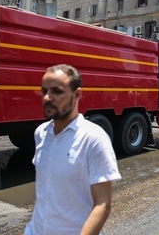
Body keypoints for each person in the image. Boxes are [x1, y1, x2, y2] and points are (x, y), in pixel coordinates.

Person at [24, 64, 121, 235]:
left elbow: (103, 204)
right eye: (44, 91)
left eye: (57, 91)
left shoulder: (93, 138)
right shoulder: (41, 134)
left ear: (77, 95)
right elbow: (46, 194)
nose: (47, 97)